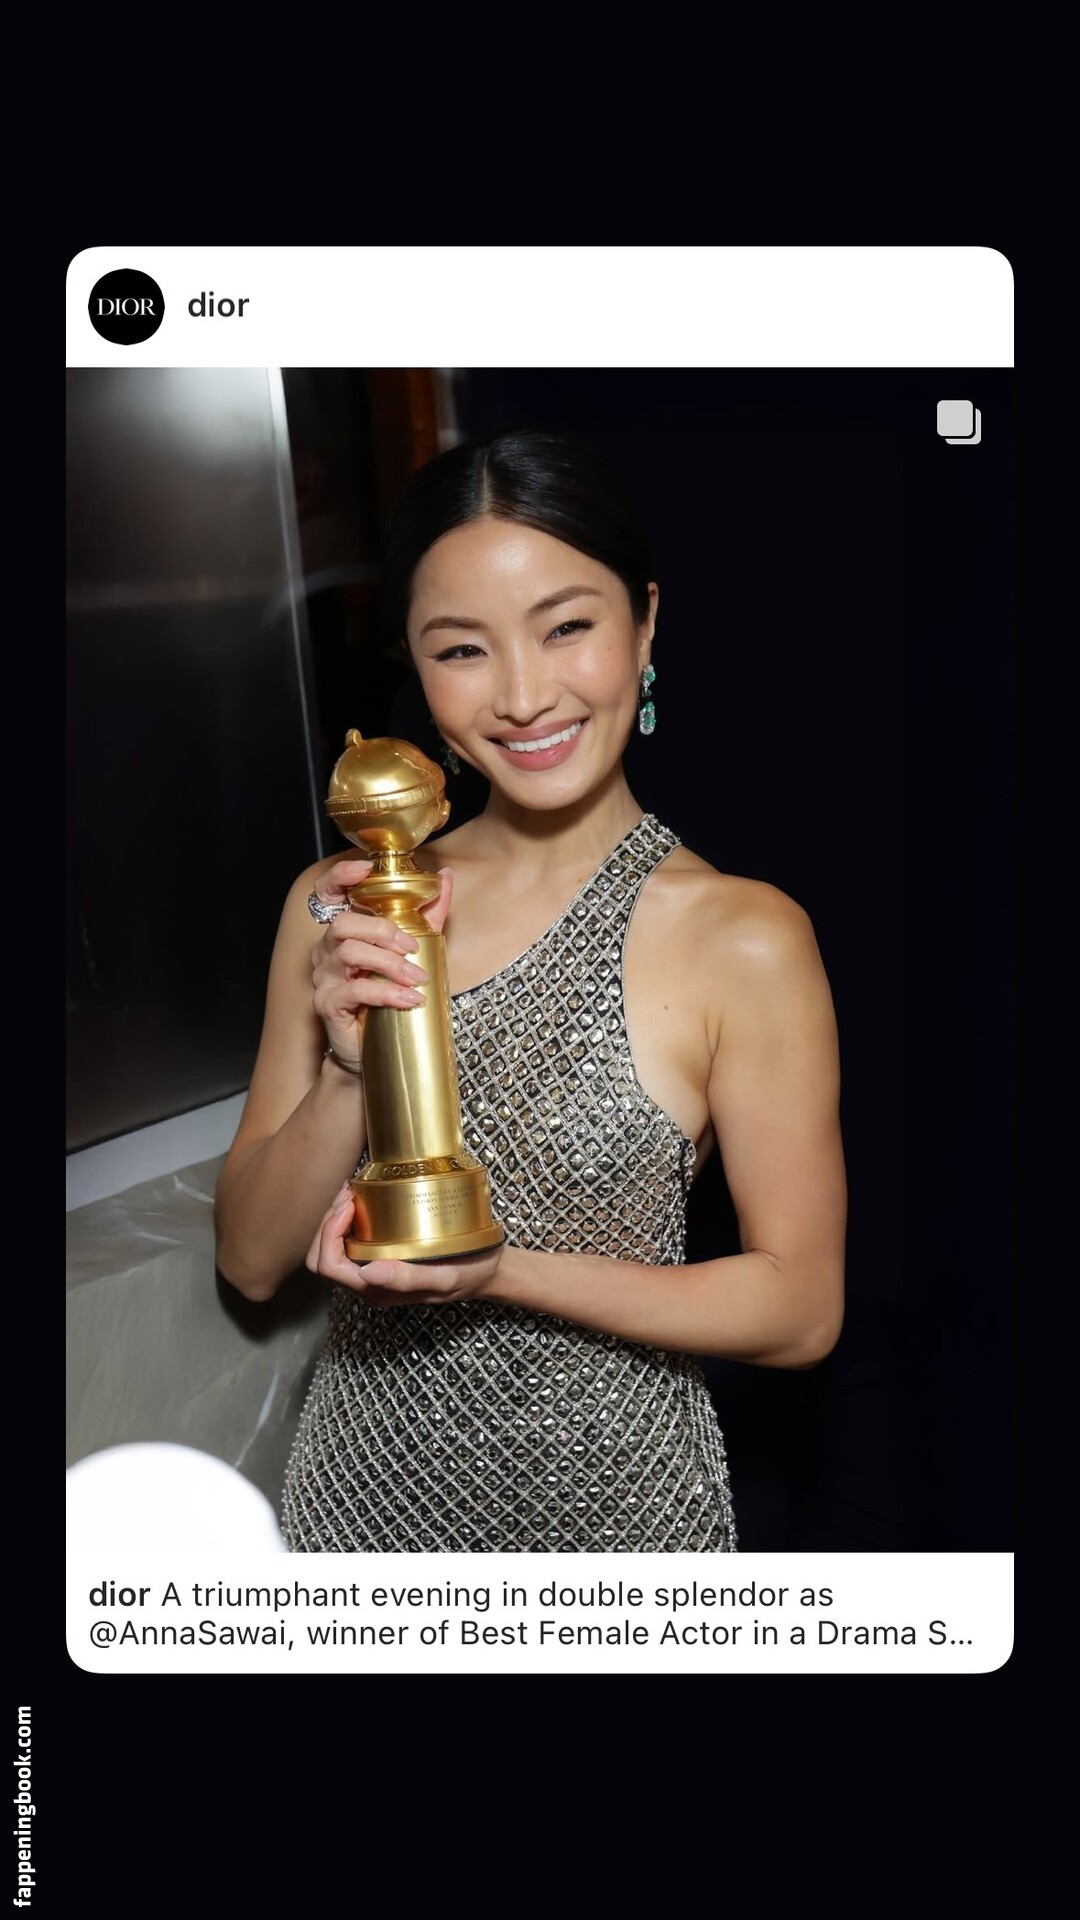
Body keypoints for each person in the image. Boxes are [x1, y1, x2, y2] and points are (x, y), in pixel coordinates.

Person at [214, 429, 847, 1552]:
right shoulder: (337, 900)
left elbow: (799, 1308)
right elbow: (251, 1263)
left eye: (566, 628)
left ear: (644, 623)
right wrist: (353, 1074)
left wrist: (502, 1272)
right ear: (415, 668)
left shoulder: (744, 936)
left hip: (622, 1520)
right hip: (360, 1510)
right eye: (463, 648)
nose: (521, 695)